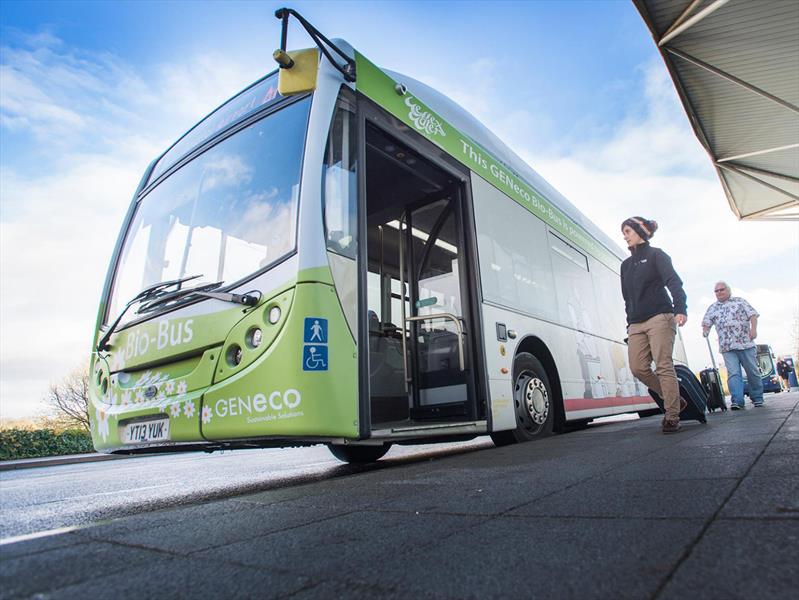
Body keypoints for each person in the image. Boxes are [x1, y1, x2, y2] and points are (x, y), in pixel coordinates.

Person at [620, 216, 687, 434]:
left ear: (640, 231)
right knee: (638, 367)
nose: (624, 236)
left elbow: (673, 282)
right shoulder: (626, 265)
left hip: (660, 316)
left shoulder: (657, 255)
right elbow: (627, 297)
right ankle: (674, 398)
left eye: (628, 231)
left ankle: (672, 414)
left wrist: (680, 309)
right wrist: (629, 321)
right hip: (636, 323)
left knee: (663, 365)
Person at [701, 282, 763, 409]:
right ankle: (737, 401)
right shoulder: (713, 307)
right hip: (727, 346)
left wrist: (753, 329)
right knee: (733, 373)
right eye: (716, 291)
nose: (719, 292)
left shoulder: (740, 301)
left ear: (728, 290)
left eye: (721, 290)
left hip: (745, 343)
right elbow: (706, 321)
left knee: (752, 371)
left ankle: (757, 397)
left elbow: (753, 315)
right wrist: (706, 330)